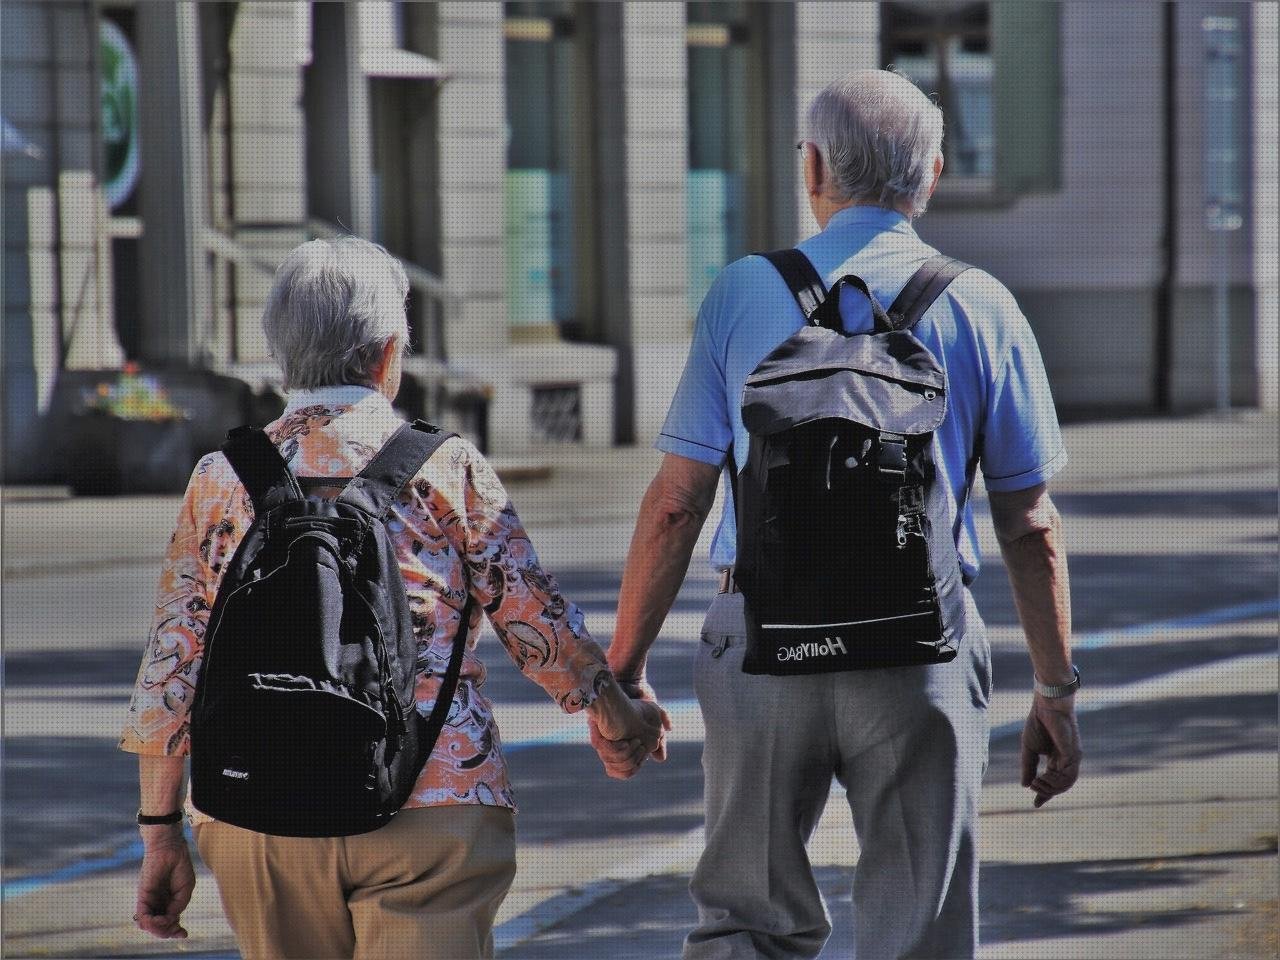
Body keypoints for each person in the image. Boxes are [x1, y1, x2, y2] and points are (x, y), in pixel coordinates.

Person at [592, 69, 1082, 958]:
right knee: (919, 930)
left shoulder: (742, 292)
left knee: (747, 919)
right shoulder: (982, 303)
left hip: (761, 647)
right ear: (930, 175)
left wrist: (618, 674)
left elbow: (675, 505)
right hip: (918, 650)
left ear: (810, 168)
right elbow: (1029, 524)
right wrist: (1055, 692)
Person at [120, 236, 666, 959]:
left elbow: (172, 664)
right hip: (432, 801)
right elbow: (538, 626)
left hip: (258, 814)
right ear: (386, 354)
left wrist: (160, 830)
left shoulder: (220, 477)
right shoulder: (446, 467)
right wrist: (616, 713)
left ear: (281, 353)